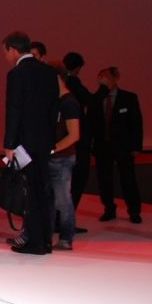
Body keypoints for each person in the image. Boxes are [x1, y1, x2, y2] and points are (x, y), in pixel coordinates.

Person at [2, 30, 60, 255]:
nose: (6, 56)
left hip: (24, 143)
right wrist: (50, 139)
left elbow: (14, 110)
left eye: (6, 51)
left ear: (13, 50)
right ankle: (45, 239)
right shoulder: (49, 71)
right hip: (44, 141)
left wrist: (9, 143)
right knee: (42, 190)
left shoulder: (17, 74)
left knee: (30, 192)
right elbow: (54, 109)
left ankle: (35, 242)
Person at [90, 67, 143, 223]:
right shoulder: (97, 98)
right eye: (100, 76)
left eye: (106, 76)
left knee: (128, 179)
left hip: (123, 147)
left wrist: (136, 146)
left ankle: (134, 211)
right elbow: (92, 123)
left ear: (115, 78)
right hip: (102, 146)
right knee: (104, 179)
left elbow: (136, 123)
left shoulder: (129, 98)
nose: (103, 80)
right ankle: (109, 209)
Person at [48, 61, 82, 249]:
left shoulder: (69, 102)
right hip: (54, 157)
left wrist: (53, 149)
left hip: (62, 159)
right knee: (52, 200)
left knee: (63, 200)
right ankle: (49, 236)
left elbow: (74, 135)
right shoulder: (57, 101)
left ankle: (66, 238)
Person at [62, 52, 93, 225]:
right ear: (78, 68)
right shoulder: (72, 84)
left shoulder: (61, 86)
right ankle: (66, 222)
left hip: (63, 141)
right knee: (75, 179)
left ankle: (61, 221)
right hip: (75, 142)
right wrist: (105, 88)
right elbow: (90, 100)